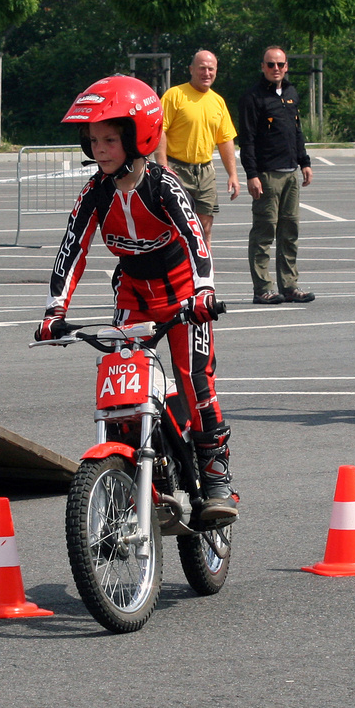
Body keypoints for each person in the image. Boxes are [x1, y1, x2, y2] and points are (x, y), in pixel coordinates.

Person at [42, 74, 237, 526]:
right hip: (132, 291)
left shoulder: (163, 185)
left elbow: (195, 239)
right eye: (93, 140)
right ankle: (140, 476)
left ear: (138, 136)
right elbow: (72, 249)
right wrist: (55, 311)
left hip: (184, 293)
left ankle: (216, 480)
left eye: (110, 139)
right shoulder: (95, 192)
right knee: (122, 386)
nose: (100, 149)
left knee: (196, 384)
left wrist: (205, 291)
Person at [236, 45, 314, 305]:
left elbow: (297, 130)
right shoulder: (253, 98)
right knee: (264, 232)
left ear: (287, 66)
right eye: (271, 64)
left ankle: (289, 285)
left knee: (290, 231)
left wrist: (304, 162)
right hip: (267, 175)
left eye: (280, 64)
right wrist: (252, 174)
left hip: (291, 172)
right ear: (263, 67)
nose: (276, 69)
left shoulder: (291, 93)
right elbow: (246, 140)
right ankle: (263, 288)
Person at [152, 49, 239, 241]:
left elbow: (225, 139)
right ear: (191, 69)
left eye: (211, 69)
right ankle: (175, 269)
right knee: (174, 229)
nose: (206, 73)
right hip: (176, 169)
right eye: (202, 68)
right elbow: (160, 130)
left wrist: (233, 174)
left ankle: (203, 270)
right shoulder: (175, 95)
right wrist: (163, 167)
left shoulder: (218, 101)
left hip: (205, 173)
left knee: (204, 229)